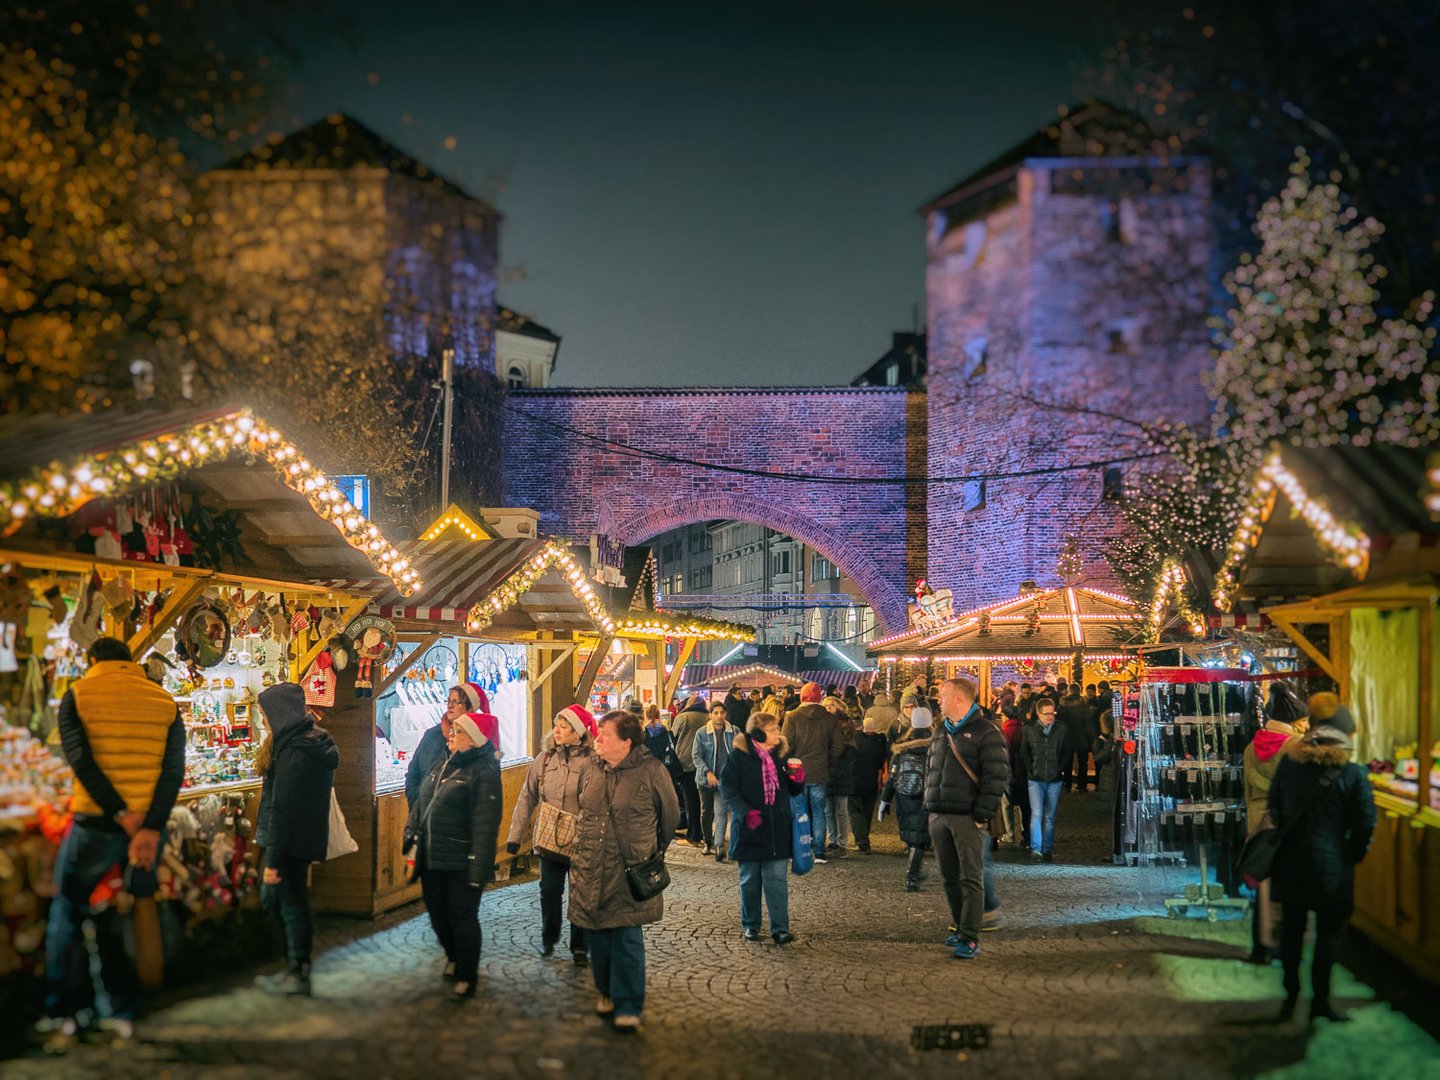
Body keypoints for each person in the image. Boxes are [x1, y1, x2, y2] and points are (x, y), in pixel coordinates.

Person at [42, 637, 182, 1045]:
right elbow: (173, 772)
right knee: (121, 914)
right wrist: (149, 829)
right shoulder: (164, 702)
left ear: (91, 659)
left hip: (97, 825)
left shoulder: (78, 695)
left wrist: (120, 814)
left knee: (69, 911)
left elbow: (80, 761)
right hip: (144, 835)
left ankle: (63, 1012)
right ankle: (120, 1008)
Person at [569, 710, 681, 1033]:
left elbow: (670, 817)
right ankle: (605, 991)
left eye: (605, 733)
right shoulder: (591, 767)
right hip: (591, 866)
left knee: (627, 937)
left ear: (626, 742)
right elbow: (582, 806)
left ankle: (629, 1004)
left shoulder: (652, 771)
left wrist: (651, 850)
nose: (598, 738)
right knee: (598, 938)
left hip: (630, 868)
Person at [1269, 697, 1374, 1024]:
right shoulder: (1351, 772)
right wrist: (1351, 854)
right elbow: (1364, 821)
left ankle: (1290, 997)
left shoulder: (1289, 764)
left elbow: (1275, 807)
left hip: (1291, 860)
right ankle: (1320, 1002)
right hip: (1333, 863)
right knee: (1329, 934)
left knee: (1292, 931)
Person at [405, 714, 503, 999]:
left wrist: (478, 868)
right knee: (437, 915)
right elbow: (422, 802)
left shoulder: (483, 772)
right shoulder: (442, 763)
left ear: (473, 739)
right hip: (432, 857)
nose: (450, 734)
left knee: (462, 917)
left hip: (461, 860)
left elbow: (485, 825)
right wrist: (410, 833)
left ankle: (466, 974)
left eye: (457, 731)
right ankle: (453, 955)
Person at [253, 682, 340, 997]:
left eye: (265, 714)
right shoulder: (304, 743)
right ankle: (294, 966)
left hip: (289, 842)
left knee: (287, 903)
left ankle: (297, 969)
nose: (263, 721)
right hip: (297, 839)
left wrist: (272, 861)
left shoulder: (294, 751)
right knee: (286, 902)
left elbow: (283, 808)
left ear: (278, 714)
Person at [505, 705, 597, 965]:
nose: (557, 730)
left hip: (582, 840)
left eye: (564, 726)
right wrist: (515, 836)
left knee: (581, 894)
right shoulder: (544, 760)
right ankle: (550, 932)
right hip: (549, 836)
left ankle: (580, 945)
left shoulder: (592, 763)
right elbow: (527, 797)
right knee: (549, 889)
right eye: (556, 725)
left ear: (577, 732)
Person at [927, 678, 1008, 959]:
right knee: (949, 876)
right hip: (940, 814)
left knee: (971, 877)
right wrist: (931, 806)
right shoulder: (941, 730)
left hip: (966, 816)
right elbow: (932, 768)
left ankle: (970, 936)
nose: (939, 698)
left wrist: (981, 815)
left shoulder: (987, 732)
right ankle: (960, 926)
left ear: (960, 699)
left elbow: (996, 776)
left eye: (944, 694)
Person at [720, 710, 806, 945]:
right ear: (757, 733)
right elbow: (727, 787)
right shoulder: (739, 756)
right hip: (748, 827)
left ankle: (780, 928)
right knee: (749, 880)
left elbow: (794, 791)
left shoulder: (782, 754)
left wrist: (798, 779)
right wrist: (744, 811)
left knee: (776, 880)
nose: (778, 733)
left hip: (777, 827)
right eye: (773, 729)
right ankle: (751, 925)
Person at [1242, 693, 1307, 965]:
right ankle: (1280, 945)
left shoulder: (1250, 748)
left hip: (1257, 821)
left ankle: (1259, 947)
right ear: (1292, 721)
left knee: (1261, 886)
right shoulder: (1295, 748)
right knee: (1284, 888)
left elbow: (1246, 790)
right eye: (1303, 720)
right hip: (1283, 823)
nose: (1306, 725)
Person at [781, 682, 845, 861]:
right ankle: (819, 852)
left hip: (796, 773)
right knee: (819, 812)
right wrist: (828, 762)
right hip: (820, 772)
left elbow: (785, 745)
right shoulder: (830, 719)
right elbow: (838, 746)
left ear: (801, 697)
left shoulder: (792, 716)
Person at [407, 683, 489, 808]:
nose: (450, 706)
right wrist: (418, 804)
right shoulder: (431, 736)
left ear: (470, 708)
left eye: (456, 702)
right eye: (449, 701)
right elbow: (413, 775)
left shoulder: (478, 741)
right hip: (425, 816)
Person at [879, 706, 932, 891]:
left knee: (913, 837)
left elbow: (893, 777)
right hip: (925, 797)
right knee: (919, 838)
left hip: (904, 796)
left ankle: (914, 871)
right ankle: (912, 876)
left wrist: (885, 800)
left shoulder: (902, 747)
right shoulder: (936, 747)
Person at [1020, 698, 1066, 862]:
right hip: (1035, 778)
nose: (1050, 717)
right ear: (1038, 713)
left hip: (1054, 778)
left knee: (1050, 816)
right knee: (1037, 814)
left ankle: (1047, 848)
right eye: (1046, 714)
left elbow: (1066, 751)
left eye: (1052, 713)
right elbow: (1024, 751)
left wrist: (1060, 768)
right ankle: (1036, 849)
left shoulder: (1061, 729)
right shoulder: (1029, 729)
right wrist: (1030, 769)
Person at [693, 701, 735, 860]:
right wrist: (707, 772)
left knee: (720, 811)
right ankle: (707, 842)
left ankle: (718, 846)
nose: (719, 716)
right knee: (706, 812)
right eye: (715, 713)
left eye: (721, 713)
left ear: (725, 714)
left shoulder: (733, 731)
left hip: (724, 780)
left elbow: (738, 753)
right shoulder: (702, 733)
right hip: (705, 780)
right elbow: (696, 756)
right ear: (710, 715)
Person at [821, 695, 857, 858]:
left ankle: (842, 843)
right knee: (828, 809)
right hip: (827, 771)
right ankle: (833, 840)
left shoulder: (846, 724)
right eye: (825, 705)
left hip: (841, 771)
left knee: (841, 809)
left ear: (838, 707)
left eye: (831, 705)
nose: (828, 708)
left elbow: (849, 748)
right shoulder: (822, 724)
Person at [670, 694, 709, 847]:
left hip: (685, 762)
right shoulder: (709, 717)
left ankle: (693, 835)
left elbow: (673, 736)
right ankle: (706, 835)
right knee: (705, 802)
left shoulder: (683, 717)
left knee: (690, 800)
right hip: (706, 763)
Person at [850, 711, 890, 853]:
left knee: (855, 811)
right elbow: (881, 762)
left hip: (855, 781)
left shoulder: (856, 739)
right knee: (867, 811)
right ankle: (864, 838)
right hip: (872, 782)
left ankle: (862, 842)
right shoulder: (879, 742)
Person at [643, 704, 686, 833]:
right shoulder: (667, 733)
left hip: (648, 772)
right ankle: (665, 825)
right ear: (659, 716)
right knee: (665, 799)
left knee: (650, 800)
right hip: (665, 770)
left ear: (646, 716)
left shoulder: (642, 734)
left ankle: (652, 826)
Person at [1057, 685, 1094, 794]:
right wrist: (1091, 738)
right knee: (1083, 763)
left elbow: (1058, 723)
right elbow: (1088, 725)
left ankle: (1067, 785)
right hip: (1082, 738)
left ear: (1069, 691)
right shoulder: (1084, 706)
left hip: (1066, 737)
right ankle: (1082, 786)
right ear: (1080, 691)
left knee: (1067, 762)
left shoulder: (1062, 706)